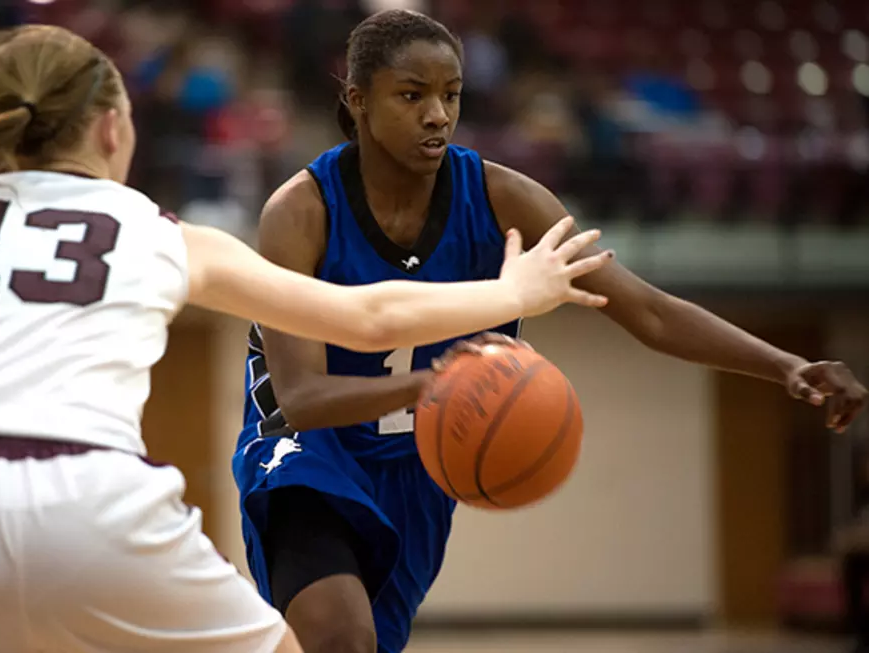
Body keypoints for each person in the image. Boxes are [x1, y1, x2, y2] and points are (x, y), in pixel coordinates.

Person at [0, 25, 615, 653]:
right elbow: (367, 316)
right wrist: (515, 294)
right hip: (89, 493)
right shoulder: (154, 229)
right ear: (112, 128)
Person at [231, 9, 869, 653]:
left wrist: (787, 366)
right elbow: (304, 399)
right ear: (358, 100)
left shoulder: (507, 200)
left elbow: (643, 309)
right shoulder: (301, 211)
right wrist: (435, 385)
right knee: (342, 639)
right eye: (411, 95)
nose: (437, 115)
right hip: (307, 452)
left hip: (415, 469)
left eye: (451, 95)